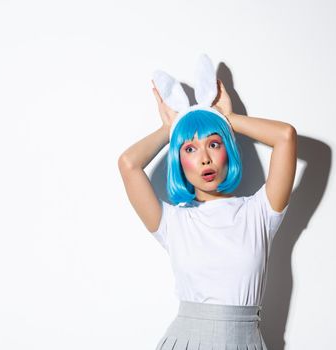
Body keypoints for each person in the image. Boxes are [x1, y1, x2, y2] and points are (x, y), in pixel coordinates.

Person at [118, 55, 297, 350]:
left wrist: (227, 120)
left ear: (227, 149)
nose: (204, 158)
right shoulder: (173, 222)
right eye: (190, 148)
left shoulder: (260, 212)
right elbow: (128, 164)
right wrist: (172, 127)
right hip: (186, 340)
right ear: (180, 161)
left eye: (214, 143)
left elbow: (286, 137)